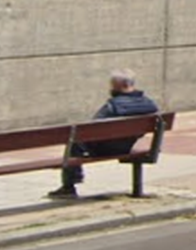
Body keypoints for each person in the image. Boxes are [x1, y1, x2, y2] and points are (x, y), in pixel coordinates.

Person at [47, 68, 160, 199]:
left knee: (74, 140)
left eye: (112, 84)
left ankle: (69, 186)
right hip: (126, 146)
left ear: (118, 85)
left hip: (104, 149)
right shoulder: (149, 104)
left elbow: (93, 127)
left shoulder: (112, 106)